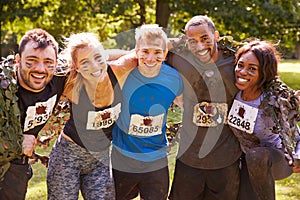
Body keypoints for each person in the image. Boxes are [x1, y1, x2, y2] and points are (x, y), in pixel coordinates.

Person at [46, 32, 137, 199]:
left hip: (100, 160)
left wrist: (180, 42)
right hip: (67, 158)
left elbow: (145, 51)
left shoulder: (118, 70)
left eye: (97, 57)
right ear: (76, 67)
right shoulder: (70, 85)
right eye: (84, 62)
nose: (94, 66)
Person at [165, 15, 242, 199]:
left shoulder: (235, 62)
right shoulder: (179, 59)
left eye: (205, 38)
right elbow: (146, 51)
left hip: (226, 156)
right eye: (192, 41)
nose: (199, 46)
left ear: (216, 35)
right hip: (190, 156)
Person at [111, 24, 183, 200]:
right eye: (145, 51)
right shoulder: (123, 73)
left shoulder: (174, 78)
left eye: (157, 52)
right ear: (136, 52)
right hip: (123, 156)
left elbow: (187, 107)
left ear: (165, 54)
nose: (150, 58)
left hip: (156, 157)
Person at [227, 39, 300, 200]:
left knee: (256, 156)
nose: (243, 72)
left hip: (277, 159)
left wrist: (299, 156)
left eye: (252, 69)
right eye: (240, 65)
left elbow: (296, 130)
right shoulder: (234, 92)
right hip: (248, 160)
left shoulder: (274, 100)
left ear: (264, 73)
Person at [0, 28, 67, 199]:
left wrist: (141, 55)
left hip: (16, 170)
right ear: (17, 60)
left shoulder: (59, 77)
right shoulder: (3, 86)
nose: (40, 69)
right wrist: (15, 142)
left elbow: (96, 57)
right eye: (31, 61)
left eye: (48, 62)